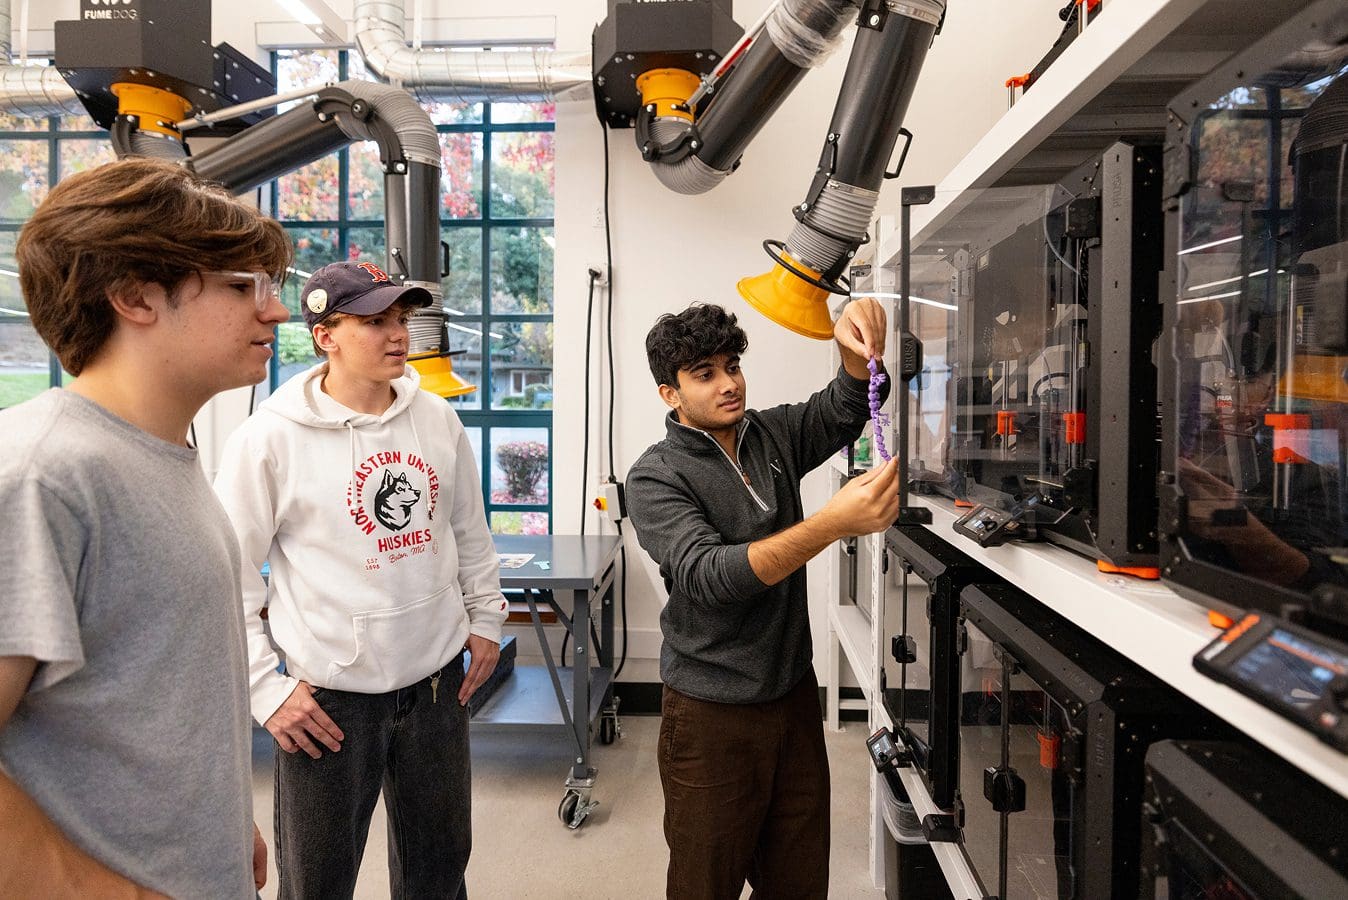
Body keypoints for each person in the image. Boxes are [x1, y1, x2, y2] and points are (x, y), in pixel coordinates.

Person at [0, 157, 291, 897]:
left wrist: (223, 827)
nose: (276, 311)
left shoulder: (164, 457)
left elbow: (153, 690)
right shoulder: (43, 475)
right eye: (241, 287)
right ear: (135, 296)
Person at [213, 260, 507, 899]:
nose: (398, 334)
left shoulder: (437, 419)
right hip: (328, 698)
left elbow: (467, 530)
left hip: (436, 687)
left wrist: (486, 618)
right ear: (326, 336)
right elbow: (226, 577)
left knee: (440, 867)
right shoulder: (267, 440)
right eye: (374, 322)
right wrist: (266, 690)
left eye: (401, 319)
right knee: (318, 881)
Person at [626, 300, 900, 899]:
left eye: (732, 365)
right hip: (709, 715)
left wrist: (853, 342)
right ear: (669, 394)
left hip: (793, 699)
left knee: (798, 883)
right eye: (706, 374)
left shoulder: (769, 434)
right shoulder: (655, 477)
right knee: (706, 885)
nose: (729, 384)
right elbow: (709, 578)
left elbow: (842, 408)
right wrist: (831, 524)